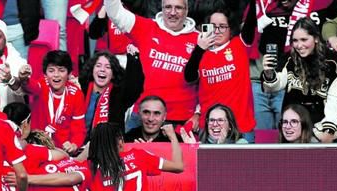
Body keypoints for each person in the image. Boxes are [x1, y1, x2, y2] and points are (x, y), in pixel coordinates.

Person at [104, 0, 200, 131]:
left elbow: (207, 84)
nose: (172, 12)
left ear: (186, 11)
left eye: (178, 8)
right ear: (161, 8)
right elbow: (115, 12)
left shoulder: (200, 40)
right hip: (142, 117)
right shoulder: (145, 27)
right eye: (168, 7)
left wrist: (198, 113)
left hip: (181, 119)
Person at [184, 0, 256, 142]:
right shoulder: (201, 53)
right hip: (211, 130)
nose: (217, 31)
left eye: (222, 27)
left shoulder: (239, 45)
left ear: (230, 29)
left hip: (241, 129)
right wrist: (199, 49)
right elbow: (189, 76)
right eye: (213, 27)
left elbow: (250, 22)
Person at [261, 18, 337, 141]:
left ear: (315, 38)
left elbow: (334, 98)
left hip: (319, 126)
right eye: (295, 40)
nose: (299, 45)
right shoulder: (289, 58)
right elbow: (274, 86)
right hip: (293, 124)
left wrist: (328, 129)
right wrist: (269, 73)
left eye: (304, 39)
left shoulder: (331, 62)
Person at [19, 50, 86, 155]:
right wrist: (24, 79)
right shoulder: (42, 85)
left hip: (62, 151)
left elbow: (79, 128)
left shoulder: (76, 94)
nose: (56, 75)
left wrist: (74, 145)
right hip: (37, 147)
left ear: (69, 73)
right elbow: (30, 86)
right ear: (45, 73)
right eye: (51, 70)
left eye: (61, 70)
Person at [78, 48, 145, 143]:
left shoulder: (119, 96)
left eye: (108, 67)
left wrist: (133, 59)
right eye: (98, 65)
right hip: (78, 147)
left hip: (108, 151)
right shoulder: (80, 91)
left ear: (113, 74)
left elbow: (135, 86)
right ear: (92, 70)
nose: (102, 69)